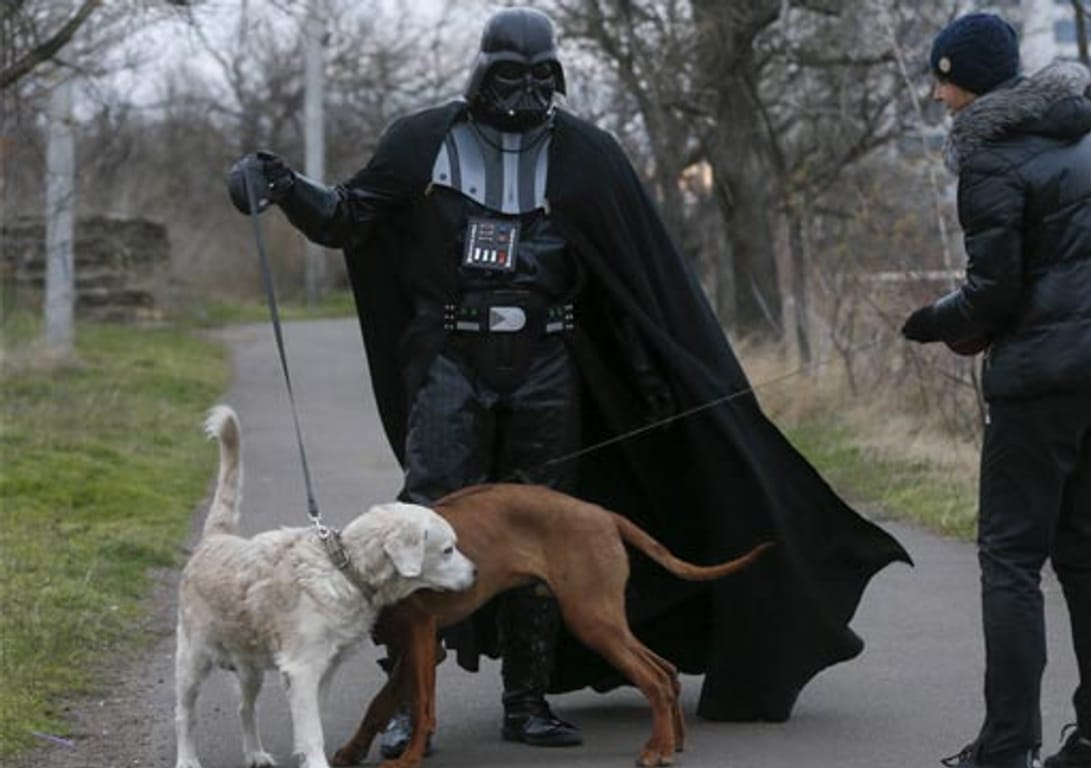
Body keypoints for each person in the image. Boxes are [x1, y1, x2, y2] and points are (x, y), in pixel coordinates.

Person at [228, 5, 911, 759]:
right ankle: (404, 704)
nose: (522, 92)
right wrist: (283, 184)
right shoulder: (423, 141)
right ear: (480, 72)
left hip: (549, 366)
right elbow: (349, 218)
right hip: (452, 363)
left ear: (556, 76)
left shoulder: (587, 153)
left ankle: (527, 701)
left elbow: (637, 278)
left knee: (546, 535)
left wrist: (654, 375)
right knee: (418, 531)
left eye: (538, 76)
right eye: (507, 75)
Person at [899, 13, 1091, 768]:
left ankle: (1008, 747)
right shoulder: (1083, 133)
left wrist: (930, 322)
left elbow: (994, 295)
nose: (939, 96)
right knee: (1087, 551)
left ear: (966, 80)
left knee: (1010, 560)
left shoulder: (987, 160)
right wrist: (1076, 298)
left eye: (942, 80)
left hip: (1042, 384)